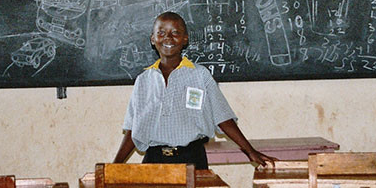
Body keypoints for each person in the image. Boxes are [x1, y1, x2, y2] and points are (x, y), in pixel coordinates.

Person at [113, 11, 277, 169]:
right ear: (153, 39)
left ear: (185, 39)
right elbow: (133, 129)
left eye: (175, 33)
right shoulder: (143, 81)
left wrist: (250, 151)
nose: (168, 38)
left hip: (192, 159)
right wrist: (116, 166)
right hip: (154, 161)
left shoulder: (200, 75)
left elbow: (223, 118)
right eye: (161, 33)